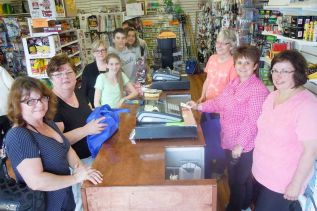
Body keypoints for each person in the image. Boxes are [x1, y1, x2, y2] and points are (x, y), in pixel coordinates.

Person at [187, 46, 269, 210]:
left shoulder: (258, 90)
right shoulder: (234, 82)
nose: (242, 67)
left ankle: (234, 207)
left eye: (247, 63)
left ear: (254, 66)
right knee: (240, 179)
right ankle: (244, 205)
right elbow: (219, 103)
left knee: (237, 180)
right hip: (229, 139)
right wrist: (199, 106)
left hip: (243, 145)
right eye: (239, 62)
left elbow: (252, 121)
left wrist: (240, 144)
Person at [5, 76, 103, 211]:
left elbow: (67, 148)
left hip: (65, 198)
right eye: (30, 101)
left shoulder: (48, 123)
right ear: (17, 105)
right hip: (46, 205)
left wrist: (80, 168)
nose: (39, 104)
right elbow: (36, 181)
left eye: (42, 98)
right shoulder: (19, 135)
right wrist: (75, 178)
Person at [252, 50, 317, 211]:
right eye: (275, 70)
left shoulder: (307, 105)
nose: (278, 76)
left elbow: (310, 151)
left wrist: (296, 184)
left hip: (283, 182)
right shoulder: (272, 96)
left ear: (298, 72)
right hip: (260, 172)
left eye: (285, 71)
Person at [47, 54, 107, 211]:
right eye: (58, 74)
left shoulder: (78, 93)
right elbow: (57, 141)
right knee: (82, 203)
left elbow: (87, 114)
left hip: (93, 154)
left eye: (68, 72)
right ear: (51, 78)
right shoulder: (52, 105)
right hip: (75, 165)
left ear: (75, 74)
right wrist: (86, 130)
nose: (65, 77)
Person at [198, 29, 238, 179]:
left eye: (224, 43)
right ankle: (207, 167)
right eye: (217, 42)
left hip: (222, 110)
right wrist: (202, 96)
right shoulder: (212, 59)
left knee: (221, 142)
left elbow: (232, 90)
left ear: (232, 45)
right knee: (206, 137)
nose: (219, 46)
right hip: (208, 105)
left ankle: (220, 169)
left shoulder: (234, 64)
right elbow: (208, 80)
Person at [81, 39, 108, 108]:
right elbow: (83, 90)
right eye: (97, 51)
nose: (100, 53)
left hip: (111, 105)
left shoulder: (112, 66)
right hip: (93, 107)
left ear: (106, 51)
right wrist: (87, 103)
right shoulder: (88, 69)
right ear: (93, 53)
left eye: (103, 50)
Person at [0, 66, 14, 148]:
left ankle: (2, 157)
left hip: (5, 110)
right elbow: (13, 85)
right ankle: (9, 152)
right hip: (5, 110)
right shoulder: (0, 70)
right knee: (10, 134)